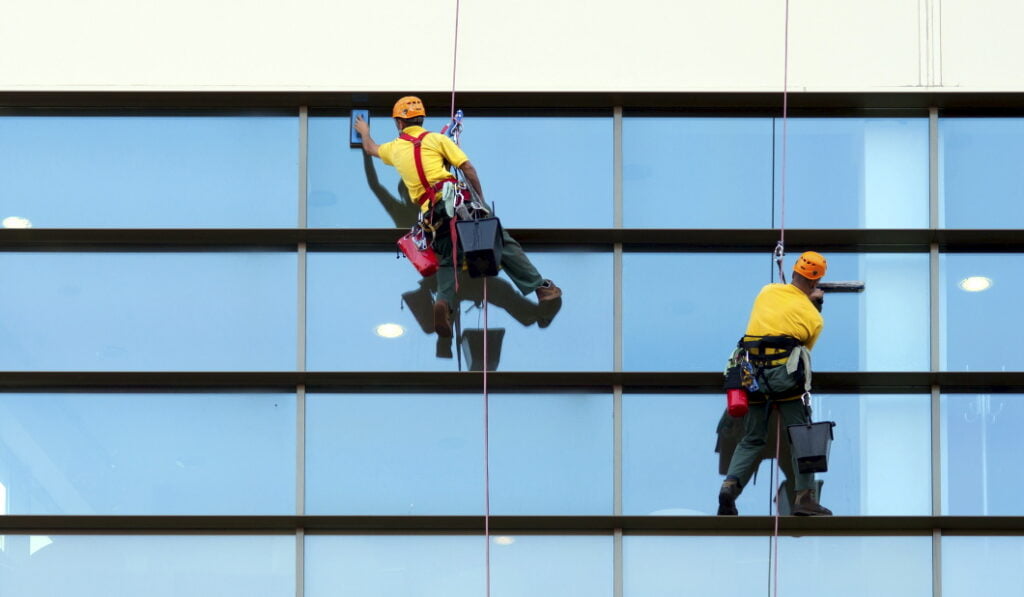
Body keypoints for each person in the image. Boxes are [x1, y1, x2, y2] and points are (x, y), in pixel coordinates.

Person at [353, 96, 561, 337]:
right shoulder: (437, 139)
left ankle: (444, 304)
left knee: (447, 260)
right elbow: (467, 168)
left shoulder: (394, 148)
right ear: (421, 119)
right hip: (459, 202)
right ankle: (542, 288)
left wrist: (364, 132)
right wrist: (480, 201)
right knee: (500, 242)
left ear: (399, 123)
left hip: (432, 215)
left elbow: (370, 150)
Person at [717, 251, 832, 516]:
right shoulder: (814, 317)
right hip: (785, 382)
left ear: (793, 273)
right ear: (814, 283)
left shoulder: (767, 291)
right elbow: (805, 345)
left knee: (752, 437)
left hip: (751, 377)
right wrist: (815, 304)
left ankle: (730, 485)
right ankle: (804, 498)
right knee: (801, 436)